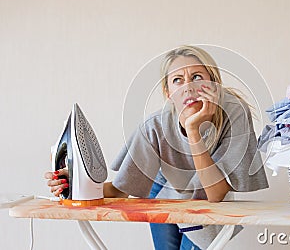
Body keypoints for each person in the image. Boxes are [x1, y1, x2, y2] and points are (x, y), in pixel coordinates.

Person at [45, 45, 269, 250]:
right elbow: (121, 189)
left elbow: (216, 194)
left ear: (213, 83)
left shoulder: (233, 112)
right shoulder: (155, 126)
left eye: (197, 77)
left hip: (206, 196)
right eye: (178, 80)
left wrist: (192, 131)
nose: (188, 86)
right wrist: (75, 181)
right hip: (163, 189)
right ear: (168, 92)